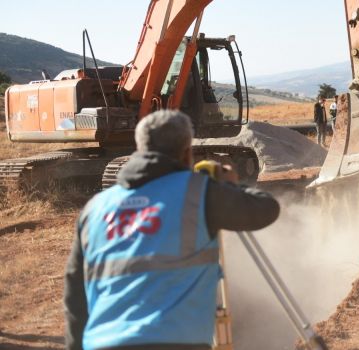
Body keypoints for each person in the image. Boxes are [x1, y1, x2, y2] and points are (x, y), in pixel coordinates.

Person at [64, 110, 280, 350]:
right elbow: (266, 209)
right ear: (187, 152)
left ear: (140, 148)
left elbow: (75, 298)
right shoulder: (198, 193)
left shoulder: (94, 210)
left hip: (103, 342)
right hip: (177, 340)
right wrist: (228, 185)